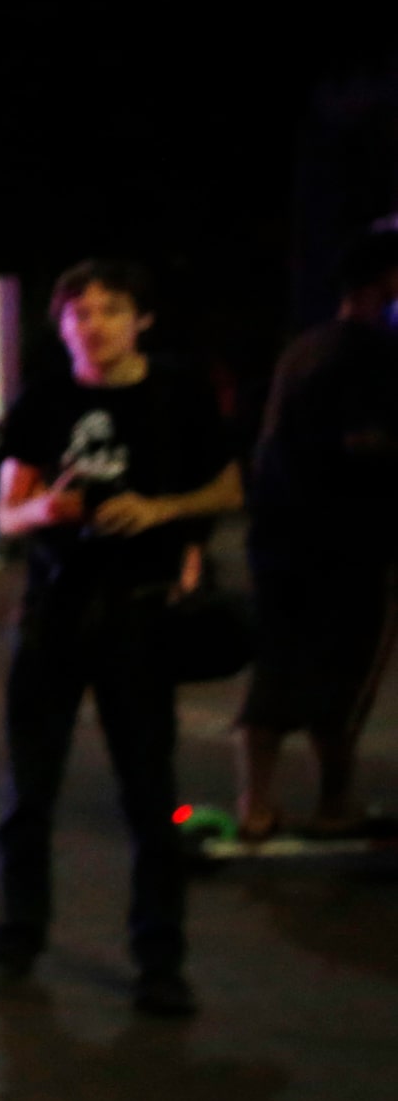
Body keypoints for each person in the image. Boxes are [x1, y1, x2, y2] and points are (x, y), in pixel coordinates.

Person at [0, 260, 240, 1017]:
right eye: (78, 313)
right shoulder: (44, 398)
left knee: (149, 793)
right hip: (55, 612)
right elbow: (7, 514)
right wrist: (47, 513)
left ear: (141, 320)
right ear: (61, 325)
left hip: (140, 614)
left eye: (109, 310)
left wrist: (155, 511)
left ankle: (160, 960)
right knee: (28, 793)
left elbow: (228, 489)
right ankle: (16, 941)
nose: (93, 325)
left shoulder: (178, 392)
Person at [233, 227, 398, 838]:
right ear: (385, 282)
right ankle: (334, 803)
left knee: (278, 665)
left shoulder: (304, 349)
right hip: (349, 545)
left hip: (279, 541)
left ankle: (256, 805)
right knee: (345, 675)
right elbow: (365, 445)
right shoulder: (373, 354)